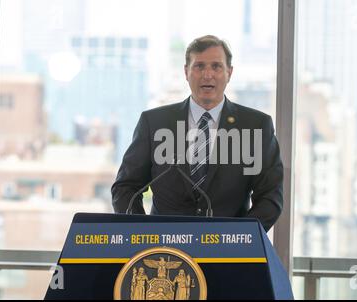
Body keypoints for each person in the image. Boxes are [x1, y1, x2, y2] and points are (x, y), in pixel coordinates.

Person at [111, 35, 283, 231]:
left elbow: (270, 197)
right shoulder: (154, 123)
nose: (207, 74)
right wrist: (142, 235)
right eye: (199, 66)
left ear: (229, 72)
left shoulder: (256, 126)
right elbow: (125, 188)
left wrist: (241, 238)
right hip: (164, 254)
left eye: (216, 66)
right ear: (186, 72)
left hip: (228, 254)